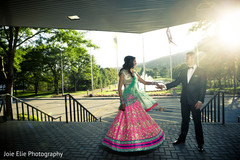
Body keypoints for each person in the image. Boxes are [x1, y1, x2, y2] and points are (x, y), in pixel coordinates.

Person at [102, 56, 165, 152]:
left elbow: (144, 82)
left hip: (135, 99)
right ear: (130, 62)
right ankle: (126, 142)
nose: (136, 62)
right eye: (134, 61)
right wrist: (122, 102)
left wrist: (155, 83)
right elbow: (119, 88)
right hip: (127, 100)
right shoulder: (123, 72)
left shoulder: (134, 72)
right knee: (127, 121)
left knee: (140, 119)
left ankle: (139, 140)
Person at [157, 51, 206, 152]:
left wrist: (200, 100)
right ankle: (181, 140)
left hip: (195, 102)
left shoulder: (202, 71)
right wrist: (165, 86)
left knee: (197, 123)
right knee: (184, 121)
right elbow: (176, 82)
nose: (185, 59)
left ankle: (200, 143)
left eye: (187, 57)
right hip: (184, 101)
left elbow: (203, 87)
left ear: (193, 58)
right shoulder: (183, 71)